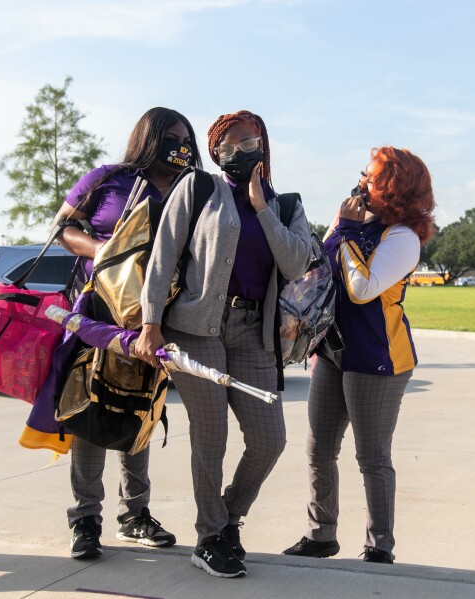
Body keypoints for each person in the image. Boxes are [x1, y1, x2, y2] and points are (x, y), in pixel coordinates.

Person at [136, 110, 311, 578]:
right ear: (214, 153)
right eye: (227, 147)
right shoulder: (197, 189)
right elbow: (163, 256)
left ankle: (230, 515)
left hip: (254, 334)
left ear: (263, 143)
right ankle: (210, 536)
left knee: (269, 439)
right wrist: (150, 322)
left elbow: (297, 264)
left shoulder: (287, 204)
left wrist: (261, 207)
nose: (238, 152)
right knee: (211, 436)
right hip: (195, 329)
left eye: (247, 142)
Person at [51, 107, 201, 559]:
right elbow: (62, 228)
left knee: (140, 410)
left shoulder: (188, 189)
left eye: (186, 139)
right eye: (172, 137)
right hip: (100, 312)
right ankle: (86, 519)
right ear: (148, 138)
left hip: (154, 319)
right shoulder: (108, 179)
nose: (181, 146)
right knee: (90, 409)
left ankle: (134, 515)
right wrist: (105, 251)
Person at [282, 147, 435, 564]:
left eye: (370, 177)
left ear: (392, 187)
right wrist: (340, 228)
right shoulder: (354, 224)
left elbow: (362, 288)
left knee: (371, 457)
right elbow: (319, 268)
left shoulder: (402, 238)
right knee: (318, 449)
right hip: (333, 351)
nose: (362, 182)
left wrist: (346, 232)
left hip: (377, 359)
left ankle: (379, 545)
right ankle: (320, 534)